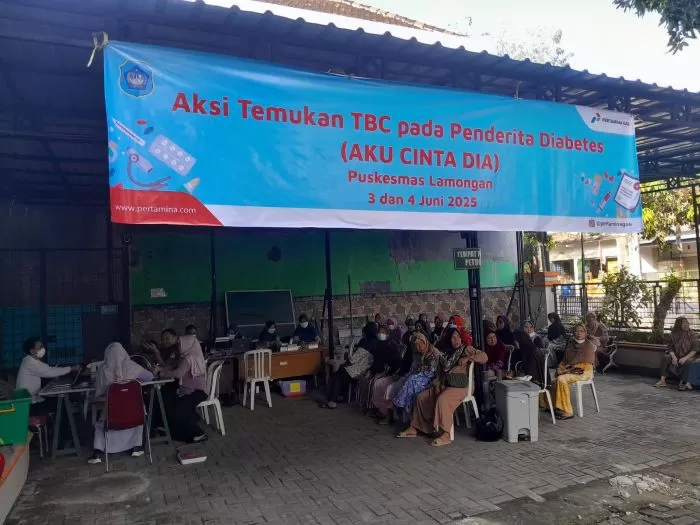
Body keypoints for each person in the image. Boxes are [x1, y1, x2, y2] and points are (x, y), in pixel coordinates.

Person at [399, 328, 487, 445]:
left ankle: (446, 434)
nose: (456, 340)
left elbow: (484, 357)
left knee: (443, 399)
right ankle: (415, 428)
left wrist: (468, 358)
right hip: (445, 383)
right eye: (453, 337)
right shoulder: (446, 353)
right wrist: (436, 382)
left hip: (460, 386)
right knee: (421, 397)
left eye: (458, 337)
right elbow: (441, 371)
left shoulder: (466, 349)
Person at [88, 343, 154, 464]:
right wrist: (133, 381)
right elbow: (150, 377)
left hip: (112, 415)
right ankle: (136, 447)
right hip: (134, 415)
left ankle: (97, 452)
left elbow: (99, 391)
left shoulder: (102, 369)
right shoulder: (131, 366)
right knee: (140, 410)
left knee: (101, 422)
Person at [155, 334, 208, 443]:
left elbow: (178, 373)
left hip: (197, 392)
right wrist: (161, 369)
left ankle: (199, 433)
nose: (178, 347)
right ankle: (174, 428)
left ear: (187, 345)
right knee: (170, 403)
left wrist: (161, 373)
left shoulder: (189, 359)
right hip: (188, 390)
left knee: (177, 410)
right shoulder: (185, 356)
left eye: (180, 344)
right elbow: (173, 366)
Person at [547, 323, 596, 420]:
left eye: (581, 331)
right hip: (570, 369)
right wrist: (561, 368)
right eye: (576, 331)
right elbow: (564, 360)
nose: (579, 333)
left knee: (561, 379)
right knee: (550, 378)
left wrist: (567, 370)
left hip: (584, 371)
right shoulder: (571, 344)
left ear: (585, 333)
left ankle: (567, 411)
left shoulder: (589, 345)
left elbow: (586, 363)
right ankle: (551, 405)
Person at [321, 323, 376, 409]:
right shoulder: (377, 341)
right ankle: (340, 396)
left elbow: (353, 359)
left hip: (358, 369)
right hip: (367, 368)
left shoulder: (365, 343)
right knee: (340, 372)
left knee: (337, 375)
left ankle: (332, 401)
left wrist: (348, 360)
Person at [17, 337, 79, 412]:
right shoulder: (29, 362)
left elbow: (48, 369)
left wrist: (62, 369)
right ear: (32, 351)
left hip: (33, 399)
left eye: (42, 346)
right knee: (61, 404)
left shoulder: (33, 361)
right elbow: (49, 372)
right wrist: (71, 368)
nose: (43, 349)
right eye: (40, 347)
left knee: (61, 402)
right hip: (28, 404)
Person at [392, 332, 441, 419]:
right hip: (419, 375)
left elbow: (432, 371)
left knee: (412, 382)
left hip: (431, 378)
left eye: (421, 343)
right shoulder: (417, 354)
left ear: (425, 341)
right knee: (406, 381)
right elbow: (414, 368)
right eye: (417, 344)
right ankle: (405, 412)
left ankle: (407, 411)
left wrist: (417, 373)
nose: (420, 346)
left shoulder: (434, 352)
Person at [655, 316, 699, 390]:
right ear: (678, 324)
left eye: (687, 323)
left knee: (688, 362)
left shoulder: (692, 334)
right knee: (665, 358)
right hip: (676, 355)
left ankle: (684, 382)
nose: (686, 324)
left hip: (689, 356)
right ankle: (662, 380)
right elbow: (670, 347)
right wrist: (674, 357)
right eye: (683, 323)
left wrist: (685, 358)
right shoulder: (673, 334)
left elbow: (695, 349)